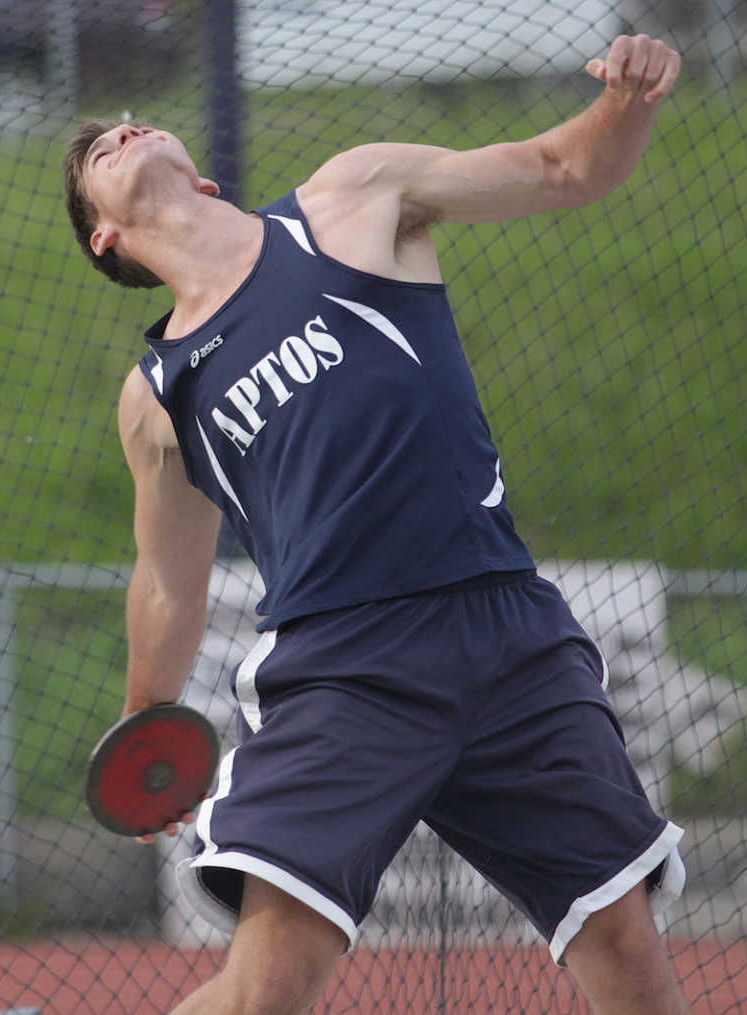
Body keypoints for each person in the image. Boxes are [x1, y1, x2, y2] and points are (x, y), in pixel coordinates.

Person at [63, 32, 690, 1015]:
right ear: (104, 236)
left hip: (506, 627)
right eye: (97, 154)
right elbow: (170, 579)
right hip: (343, 665)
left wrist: (631, 99)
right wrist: (152, 731)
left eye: (129, 126)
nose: (120, 133)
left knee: (625, 944)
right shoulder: (157, 397)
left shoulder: (349, 200)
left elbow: (569, 166)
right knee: (270, 986)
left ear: (211, 178)